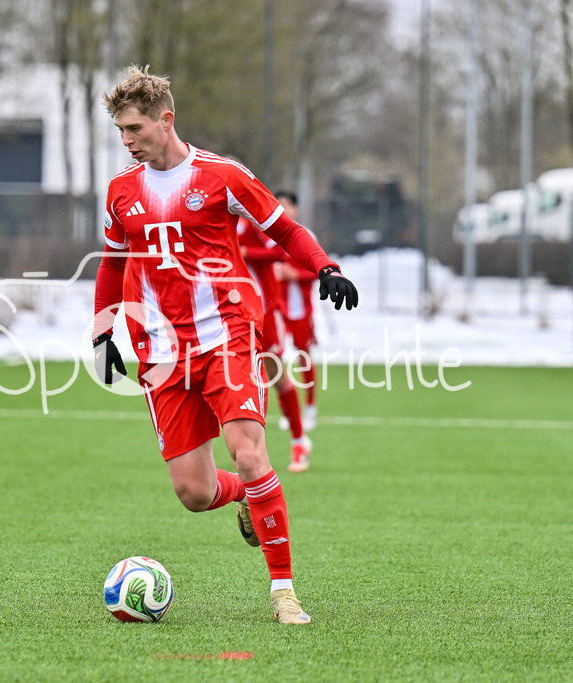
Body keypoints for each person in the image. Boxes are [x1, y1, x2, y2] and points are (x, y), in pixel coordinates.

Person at [92, 65, 357, 625]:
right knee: (193, 492)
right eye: (120, 131)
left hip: (225, 337)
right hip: (160, 355)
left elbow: (284, 230)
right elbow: (113, 264)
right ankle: (246, 497)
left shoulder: (222, 176)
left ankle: (284, 594)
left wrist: (325, 267)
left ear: (166, 120)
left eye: (135, 128)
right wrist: (103, 331)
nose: (127, 140)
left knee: (249, 451)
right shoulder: (121, 191)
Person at [236, 213, 312, 471]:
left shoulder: (250, 220)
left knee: (276, 375)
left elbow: (279, 252)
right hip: (230, 313)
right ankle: (246, 453)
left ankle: (299, 441)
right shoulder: (209, 217)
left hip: (265, 311)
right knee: (234, 381)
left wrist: (245, 252)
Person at [273, 191, 320, 432]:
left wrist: (295, 275)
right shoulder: (265, 235)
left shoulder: (305, 236)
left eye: (288, 205)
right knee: (275, 359)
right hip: (274, 310)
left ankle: (310, 407)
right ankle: (288, 411)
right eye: (278, 204)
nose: (283, 209)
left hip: (300, 310)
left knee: (304, 357)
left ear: (296, 209)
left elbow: (318, 271)